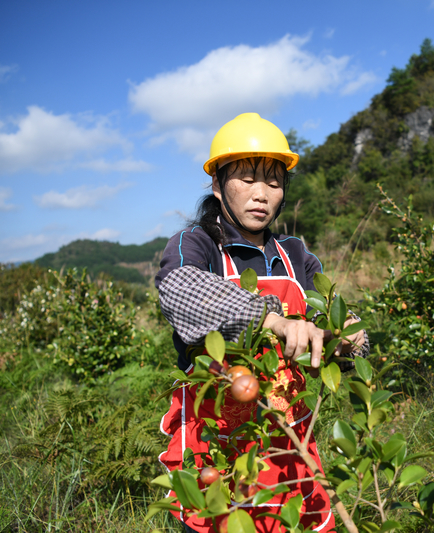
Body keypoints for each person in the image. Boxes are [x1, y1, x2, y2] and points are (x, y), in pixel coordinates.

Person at [155, 113, 368, 533]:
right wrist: (272, 320)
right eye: (246, 179)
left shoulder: (295, 254)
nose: (261, 194)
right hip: (217, 436)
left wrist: (346, 339)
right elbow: (179, 290)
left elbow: (335, 315)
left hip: (286, 430)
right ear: (217, 186)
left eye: (272, 182)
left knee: (288, 520)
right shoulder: (197, 245)